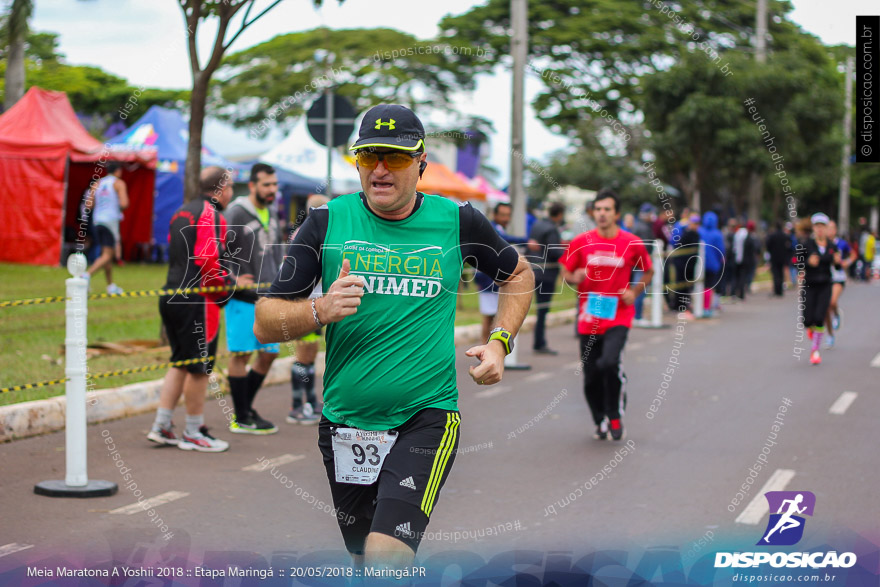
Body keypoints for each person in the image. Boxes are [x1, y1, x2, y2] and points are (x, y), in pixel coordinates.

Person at [254, 104, 534, 569]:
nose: (380, 168)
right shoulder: (325, 222)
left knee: (386, 557)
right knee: (363, 558)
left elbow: (518, 274)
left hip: (426, 417)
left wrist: (501, 341)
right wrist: (319, 309)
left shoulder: (458, 220)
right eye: (369, 157)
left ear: (421, 164)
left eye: (396, 157)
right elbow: (265, 321)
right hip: (346, 421)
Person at [147, 166, 246, 452]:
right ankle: (193, 431)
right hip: (198, 300)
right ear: (221, 189)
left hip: (170, 293)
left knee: (180, 362)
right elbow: (208, 262)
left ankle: (161, 426)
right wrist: (226, 290)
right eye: (229, 188)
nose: (230, 193)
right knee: (201, 368)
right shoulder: (211, 215)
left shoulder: (181, 212)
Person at [560, 189, 653, 442]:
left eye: (607, 209)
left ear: (617, 213)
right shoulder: (581, 241)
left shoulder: (631, 242)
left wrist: (634, 292)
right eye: (598, 209)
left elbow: (648, 271)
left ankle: (614, 413)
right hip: (589, 316)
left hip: (619, 315)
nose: (601, 213)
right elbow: (566, 270)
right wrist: (572, 277)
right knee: (590, 376)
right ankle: (599, 419)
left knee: (609, 363)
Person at [222, 163, 284, 434]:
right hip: (242, 298)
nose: (272, 190)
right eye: (266, 185)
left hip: (269, 297)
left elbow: (276, 252)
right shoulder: (235, 212)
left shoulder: (271, 211)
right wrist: (233, 280)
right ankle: (242, 416)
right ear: (252, 186)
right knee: (241, 354)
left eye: (274, 184)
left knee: (270, 353)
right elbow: (217, 250)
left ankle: (244, 408)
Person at [288, 194, 330, 425]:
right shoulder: (309, 233)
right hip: (306, 302)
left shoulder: (306, 231)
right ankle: (297, 406)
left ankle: (310, 401)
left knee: (310, 354)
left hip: (315, 300)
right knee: (304, 354)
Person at [474, 202, 529, 343]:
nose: (506, 218)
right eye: (502, 215)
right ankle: (484, 348)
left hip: (495, 280)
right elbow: (504, 240)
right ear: (495, 215)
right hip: (487, 279)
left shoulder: (500, 228)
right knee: (489, 317)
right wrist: (526, 241)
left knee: (496, 316)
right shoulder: (492, 228)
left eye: (508, 215)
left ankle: (488, 349)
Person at [83, 162, 128, 294]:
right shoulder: (118, 183)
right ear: (118, 171)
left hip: (97, 221)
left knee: (105, 253)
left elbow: (88, 205)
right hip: (110, 221)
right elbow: (124, 203)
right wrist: (116, 206)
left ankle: (110, 286)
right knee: (108, 255)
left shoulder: (97, 183)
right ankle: (85, 276)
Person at [527, 201, 566, 354]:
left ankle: (538, 340)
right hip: (546, 273)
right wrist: (568, 254)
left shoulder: (537, 224)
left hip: (533, 270)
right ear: (560, 215)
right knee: (543, 310)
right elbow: (554, 251)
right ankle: (539, 342)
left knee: (534, 308)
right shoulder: (551, 229)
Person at [802, 213, 841, 365]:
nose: (819, 229)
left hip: (825, 284)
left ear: (826, 229)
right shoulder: (806, 245)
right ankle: (813, 332)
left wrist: (838, 261)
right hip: (810, 284)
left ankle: (815, 350)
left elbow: (837, 265)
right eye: (817, 227)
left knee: (819, 317)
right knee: (807, 320)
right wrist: (807, 262)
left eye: (822, 227)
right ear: (813, 228)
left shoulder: (832, 246)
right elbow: (795, 261)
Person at [824, 220, 855, 348]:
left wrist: (846, 262)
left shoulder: (841, 244)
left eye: (832, 228)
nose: (829, 231)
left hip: (838, 277)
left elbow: (853, 254)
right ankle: (830, 335)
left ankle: (836, 314)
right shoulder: (822, 244)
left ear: (835, 230)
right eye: (827, 228)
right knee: (826, 309)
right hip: (824, 278)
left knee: (831, 302)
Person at [698, 211, 725, 316]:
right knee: (709, 287)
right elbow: (721, 250)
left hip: (700, 264)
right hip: (713, 265)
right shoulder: (717, 234)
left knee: (699, 286)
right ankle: (706, 308)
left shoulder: (700, 231)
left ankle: (698, 306)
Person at [765, 222, 792, 297]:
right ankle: (780, 290)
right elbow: (789, 246)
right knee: (781, 273)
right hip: (782, 257)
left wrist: (771, 252)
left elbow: (768, 245)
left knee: (775, 274)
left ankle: (777, 290)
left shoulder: (772, 235)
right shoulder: (785, 236)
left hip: (774, 257)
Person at [733, 220, 757, 300]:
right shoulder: (747, 235)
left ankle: (736, 292)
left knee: (738, 276)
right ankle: (741, 293)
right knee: (743, 277)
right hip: (745, 259)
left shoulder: (738, 234)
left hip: (737, 258)